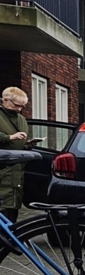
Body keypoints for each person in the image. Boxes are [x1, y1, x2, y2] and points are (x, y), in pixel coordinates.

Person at [0, 87, 31, 223]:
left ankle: (10, 241)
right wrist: (9, 137)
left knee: (13, 208)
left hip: (17, 172)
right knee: (4, 207)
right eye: (16, 105)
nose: (19, 109)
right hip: (3, 169)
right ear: (5, 100)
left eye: (22, 106)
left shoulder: (22, 119)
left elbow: (20, 143)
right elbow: (10, 139)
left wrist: (28, 144)